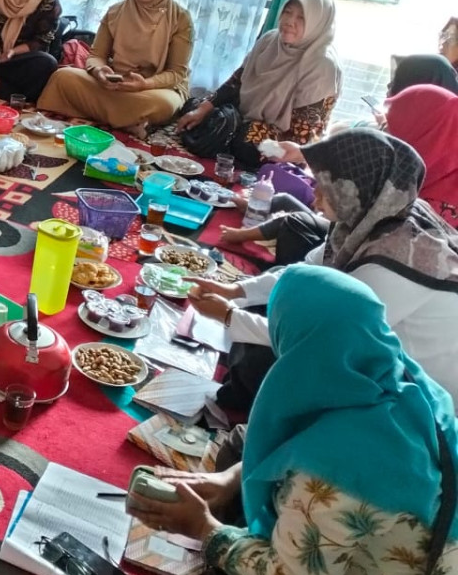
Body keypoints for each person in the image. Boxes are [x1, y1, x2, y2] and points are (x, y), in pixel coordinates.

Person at [0, 266, 458, 575]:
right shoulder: (408, 384)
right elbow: (275, 441)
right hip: (385, 552)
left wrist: (207, 529)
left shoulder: (340, 469)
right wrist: (230, 480)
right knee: (240, 448)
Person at [191, 128, 458, 404]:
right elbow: (304, 271)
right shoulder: (376, 211)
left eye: (325, 187)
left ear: (353, 190)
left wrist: (229, 316)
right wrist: (234, 290)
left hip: (420, 397)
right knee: (278, 294)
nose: (314, 195)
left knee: (263, 362)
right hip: (359, 337)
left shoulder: (392, 264)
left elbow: (324, 337)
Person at [176, 0, 341, 167]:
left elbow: (304, 137)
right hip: (241, 118)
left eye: (301, 18)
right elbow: (237, 82)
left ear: (317, 23)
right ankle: (222, 138)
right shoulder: (269, 41)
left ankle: (224, 140)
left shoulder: (322, 66)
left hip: (285, 141)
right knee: (193, 107)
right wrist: (204, 108)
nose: (289, 22)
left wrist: (280, 150)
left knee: (247, 139)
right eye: (287, 12)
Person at [37, 0, 193, 133]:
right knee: (62, 77)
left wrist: (145, 84)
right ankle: (128, 121)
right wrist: (99, 72)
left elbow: (176, 73)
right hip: (116, 83)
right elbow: (96, 56)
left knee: (163, 104)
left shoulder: (181, 19)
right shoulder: (116, 11)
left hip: (154, 88)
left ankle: (107, 114)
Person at [385, 83, 458, 226]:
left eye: (390, 128)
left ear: (428, 135)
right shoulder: (435, 179)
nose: (384, 134)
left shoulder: (427, 214)